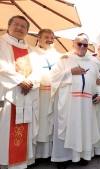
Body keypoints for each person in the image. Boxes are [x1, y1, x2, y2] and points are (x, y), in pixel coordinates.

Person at [49, 35, 100, 169]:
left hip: (86, 103)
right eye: (79, 44)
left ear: (88, 47)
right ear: (73, 45)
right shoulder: (64, 60)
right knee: (67, 127)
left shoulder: (93, 63)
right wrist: (70, 72)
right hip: (69, 102)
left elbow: (99, 82)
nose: (82, 47)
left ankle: (81, 156)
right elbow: (52, 77)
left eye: (85, 45)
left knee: (83, 128)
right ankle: (62, 158)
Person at [0, 15, 40, 168]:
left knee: (25, 125)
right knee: (6, 127)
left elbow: (38, 71)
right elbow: (1, 66)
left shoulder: (30, 49)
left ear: (27, 31)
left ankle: (23, 161)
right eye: (16, 24)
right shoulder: (1, 43)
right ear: (8, 26)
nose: (19, 28)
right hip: (8, 94)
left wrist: (29, 82)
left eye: (23, 26)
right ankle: (5, 162)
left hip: (27, 95)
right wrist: (19, 80)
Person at [31, 29, 62, 164]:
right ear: (38, 38)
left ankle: (51, 153)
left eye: (52, 37)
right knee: (40, 123)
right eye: (46, 37)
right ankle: (37, 155)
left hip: (55, 94)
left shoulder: (60, 56)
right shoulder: (31, 53)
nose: (49, 39)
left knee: (52, 123)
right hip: (38, 94)